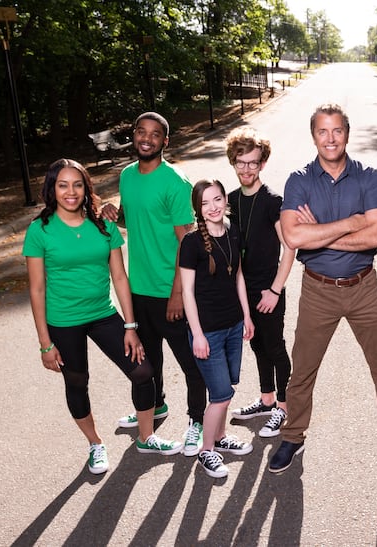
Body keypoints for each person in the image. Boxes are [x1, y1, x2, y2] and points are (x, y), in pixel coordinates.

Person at [268, 103, 377, 473]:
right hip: (318, 289)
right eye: (322, 131)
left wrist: (319, 233)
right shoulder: (299, 180)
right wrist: (353, 223)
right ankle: (292, 437)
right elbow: (293, 235)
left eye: (337, 130)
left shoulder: (369, 178)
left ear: (347, 134)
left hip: (363, 286)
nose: (330, 138)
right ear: (314, 136)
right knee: (302, 369)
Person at [24, 159, 182, 475]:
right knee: (77, 381)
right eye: (63, 185)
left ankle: (146, 436)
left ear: (87, 188)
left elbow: (120, 278)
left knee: (142, 370)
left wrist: (130, 325)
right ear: (52, 189)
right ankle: (96, 443)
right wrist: (45, 343)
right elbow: (37, 289)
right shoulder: (40, 230)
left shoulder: (103, 226)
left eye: (78, 184)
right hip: (63, 320)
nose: (71, 192)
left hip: (102, 314)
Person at [101, 112, 207, 459]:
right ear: (133, 135)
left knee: (191, 364)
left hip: (169, 292)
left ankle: (198, 421)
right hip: (139, 291)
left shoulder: (176, 182)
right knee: (149, 359)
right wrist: (114, 213)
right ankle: (156, 406)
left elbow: (186, 243)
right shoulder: (128, 176)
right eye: (141, 132)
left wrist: (177, 293)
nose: (147, 138)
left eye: (155, 134)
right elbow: (135, 218)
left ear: (165, 141)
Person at [180, 179, 255, 479]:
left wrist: (246, 317)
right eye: (205, 203)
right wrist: (197, 333)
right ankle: (206, 450)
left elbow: (238, 276)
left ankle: (220, 437)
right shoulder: (191, 242)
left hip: (234, 325)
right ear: (197, 208)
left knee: (227, 389)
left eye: (217, 200)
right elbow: (187, 292)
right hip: (207, 332)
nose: (212, 207)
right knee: (221, 394)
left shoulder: (233, 232)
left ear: (225, 199)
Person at [224, 126, 295, 438]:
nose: (247, 169)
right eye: (241, 162)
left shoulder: (272, 201)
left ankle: (283, 406)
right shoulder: (229, 201)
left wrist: (275, 290)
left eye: (253, 162)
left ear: (263, 163)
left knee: (275, 347)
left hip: (269, 290)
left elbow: (290, 248)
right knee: (256, 346)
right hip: (243, 291)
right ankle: (266, 400)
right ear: (233, 162)